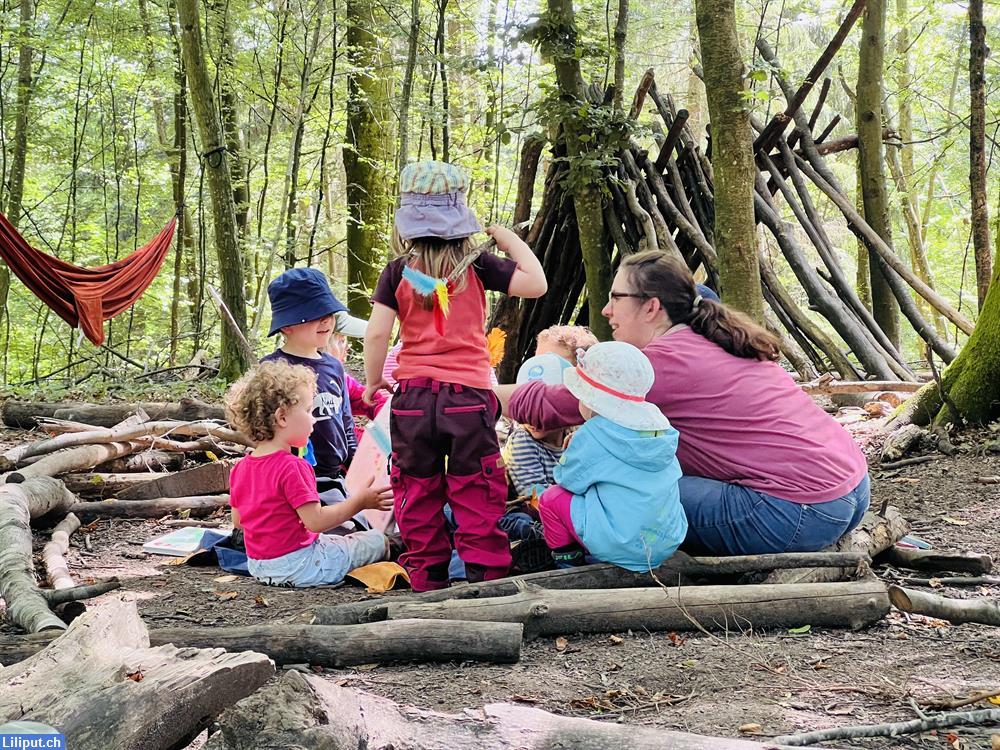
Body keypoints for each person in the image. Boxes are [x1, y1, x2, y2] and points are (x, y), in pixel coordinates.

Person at [503, 250, 870, 556]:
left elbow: (550, 404)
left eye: (617, 298)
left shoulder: (659, 363)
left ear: (652, 307)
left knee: (617, 496)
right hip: (851, 489)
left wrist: (476, 394)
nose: (605, 310)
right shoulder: (716, 338)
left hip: (795, 513)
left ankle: (568, 553)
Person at [363, 160, 547, 592]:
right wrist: (509, 239)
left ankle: (427, 577)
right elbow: (536, 284)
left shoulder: (399, 272)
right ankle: (488, 578)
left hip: (412, 400)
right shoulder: (478, 266)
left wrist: (373, 382)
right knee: (476, 489)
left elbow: (376, 333)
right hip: (468, 398)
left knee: (417, 488)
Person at [224, 360, 393, 587]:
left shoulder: (241, 467)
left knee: (335, 540)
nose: (313, 419)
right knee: (375, 542)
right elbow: (316, 522)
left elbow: (239, 521)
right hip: (302, 567)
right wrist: (360, 502)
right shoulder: (292, 466)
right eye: (307, 411)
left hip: (259, 566)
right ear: (282, 417)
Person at [537, 341, 686, 569]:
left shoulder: (593, 434)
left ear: (589, 399)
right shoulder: (661, 432)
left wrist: (574, 447)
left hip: (618, 543)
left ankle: (569, 566)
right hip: (664, 541)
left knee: (550, 499)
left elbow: (567, 480)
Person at [263, 267, 368, 502]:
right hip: (292, 478)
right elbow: (261, 429)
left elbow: (345, 419)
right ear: (287, 325)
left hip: (336, 475)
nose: (326, 321)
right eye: (313, 315)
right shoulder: (271, 369)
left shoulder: (334, 366)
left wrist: (354, 461)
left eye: (329, 313)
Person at [326, 331, 389, 444]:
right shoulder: (312, 382)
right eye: (341, 341)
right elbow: (336, 434)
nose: (347, 347)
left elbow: (371, 400)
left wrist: (389, 421)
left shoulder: (342, 378)